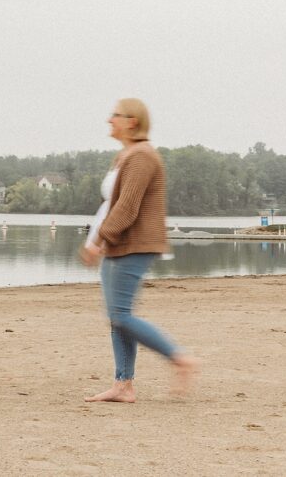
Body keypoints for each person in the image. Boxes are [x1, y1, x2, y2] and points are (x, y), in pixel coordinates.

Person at [79, 98, 199, 402]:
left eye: (115, 115)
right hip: (119, 244)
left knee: (121, 315)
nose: (109, 120)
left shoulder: (142, 156)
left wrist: (99, 241)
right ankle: (123, 385)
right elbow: (111, 205)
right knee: (117, 316)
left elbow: (127, 208)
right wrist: (98, 241)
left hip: (133, 244)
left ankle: (179, 358)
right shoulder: (126, 155)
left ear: (132, 121)